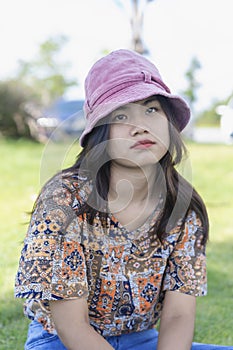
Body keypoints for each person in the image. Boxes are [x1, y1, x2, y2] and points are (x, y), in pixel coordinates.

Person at [15, 49, 233, 350]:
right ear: (100, 134)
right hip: (62, 342)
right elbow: (71, 326)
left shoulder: (183, 208)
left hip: (141, 340)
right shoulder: (65, 201)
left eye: (152, 109)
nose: (140, 125)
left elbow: (178, 316)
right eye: (121, 115)